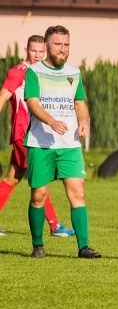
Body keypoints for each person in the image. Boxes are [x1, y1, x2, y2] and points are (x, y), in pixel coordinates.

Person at [24, 25, 100, 259]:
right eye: (58, 44)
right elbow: (33, 103)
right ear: (47, 45)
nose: (63, 49)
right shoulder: (34, 71)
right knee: (39, 195)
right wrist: (51, 121)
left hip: (69, 144)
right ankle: (38, 245)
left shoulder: (74, 73)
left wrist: (84, 122)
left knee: (78, 193)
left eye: (66, 44)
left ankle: (84, 247)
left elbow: (79, 103)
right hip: (41, 143)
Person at [0, 35, 73, 238]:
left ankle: (54, 226)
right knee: (40, 178)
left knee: (11, 179)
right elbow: (3, 97)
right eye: (34, 51)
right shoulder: (18, 72)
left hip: (36, 135)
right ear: (26, 50)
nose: (38, 55)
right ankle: (54, 226)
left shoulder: (42, 72)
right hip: (24, 135)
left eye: (41, 52)